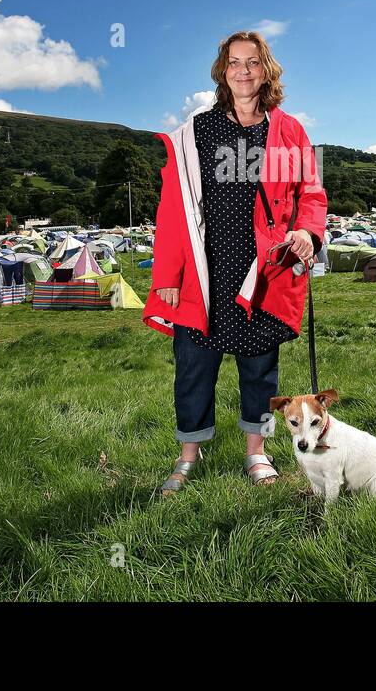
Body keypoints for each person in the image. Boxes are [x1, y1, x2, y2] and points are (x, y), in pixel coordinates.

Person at [144, 31, 327, 495]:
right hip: (203, 271)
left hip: (263, 271)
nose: (243, 71)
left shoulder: (289, 131)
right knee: (193, 366)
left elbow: (311, 192)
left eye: (252, 62)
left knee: (260, 369)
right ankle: (189, 454)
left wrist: (306, 231)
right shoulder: (199, 132)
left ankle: (256, 451)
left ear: (266, 69)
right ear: (222, 73)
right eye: (233, 63)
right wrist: (167, 275)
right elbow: (173, 209)